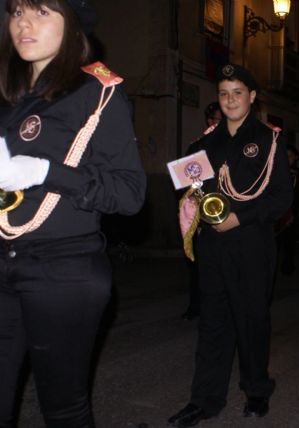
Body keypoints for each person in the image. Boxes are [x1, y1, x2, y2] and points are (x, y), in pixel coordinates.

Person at [0, 1, 146, 427]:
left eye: (42, 11)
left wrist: (45, 172)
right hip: (3, 262)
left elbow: (130, 193)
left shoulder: (98, 92)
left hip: (65, 268)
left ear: (73, 25)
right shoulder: (7, 98)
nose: (24, 22)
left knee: (63, 409)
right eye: (16, 12)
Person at [168, 63, 292, 427]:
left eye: (238, 92)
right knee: (214, 323)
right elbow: (186, 190)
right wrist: (188, 192)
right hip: (213, 248)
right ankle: (205, 399)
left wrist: (240, 217)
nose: (230, 99)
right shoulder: (204, 143)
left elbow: (282, 197)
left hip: (251, 243)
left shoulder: (270, 141)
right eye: (224, 93)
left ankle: (256, 391)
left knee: (252, 319)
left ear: (251, 97)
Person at [181, 101, 223, 321]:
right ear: (209, 121)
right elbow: (185, 183)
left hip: (232, 216)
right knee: (199, 265)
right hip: (204, 215)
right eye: (218, 119)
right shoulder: (199, 146)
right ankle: (197, 305)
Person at [277, 144, 299, 275]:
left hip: (291, 213)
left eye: (290, 156)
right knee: (275, 241)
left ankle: (288, 266)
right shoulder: (275, 171)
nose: (287, 158)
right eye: (285, 155)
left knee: (290, 241)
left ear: (296, 158)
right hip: (277, 213)